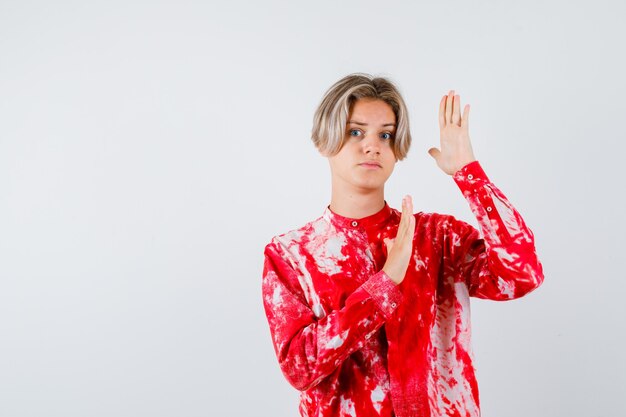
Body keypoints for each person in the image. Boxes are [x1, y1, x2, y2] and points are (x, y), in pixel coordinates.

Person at [261, 73, 544, 417]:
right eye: (355, 132)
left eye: (386, 134)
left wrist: (468, 173)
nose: (373, 145)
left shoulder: (436, 237)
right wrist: (385, 283)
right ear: (325, 141)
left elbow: (522, 274)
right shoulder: (293, 255)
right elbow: (299, 368)